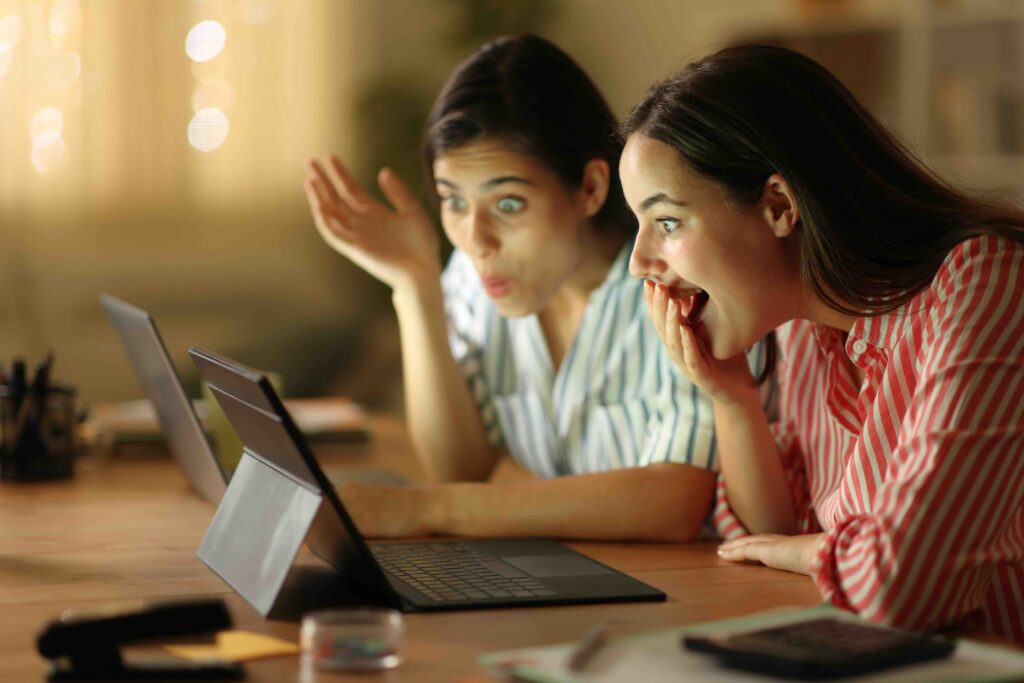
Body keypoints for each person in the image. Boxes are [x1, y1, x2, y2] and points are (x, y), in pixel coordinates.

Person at [622, 44, 1024, 639]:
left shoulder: (986, 280)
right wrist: (732, 399)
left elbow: (903, 585)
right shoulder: (806, 329)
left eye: (668, 222)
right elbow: (765, 536)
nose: (638, 263)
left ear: (779, 205)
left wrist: (811, 552)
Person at [304, 35, 767, 542]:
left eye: (508, 205)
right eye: (453, 202)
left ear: (590, 188)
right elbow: (461, 469)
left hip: (689, 589)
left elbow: (674, 500)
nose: (477, 240)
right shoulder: (474, 278)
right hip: (569, 576)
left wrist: (431, 508)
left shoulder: (677, 283)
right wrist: (414, 287)